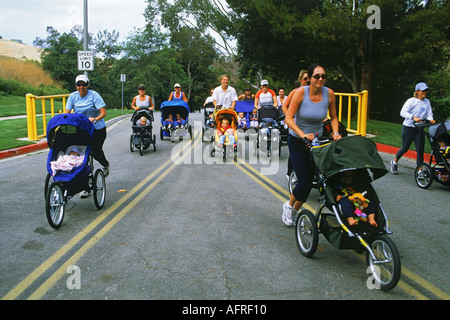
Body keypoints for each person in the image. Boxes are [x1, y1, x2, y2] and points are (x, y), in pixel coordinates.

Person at [282, 63, 342, 226]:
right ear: (310, 78)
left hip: (317, 142)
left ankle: (295, 210)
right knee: (305, 181)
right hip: (298, 141)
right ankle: (288, 206)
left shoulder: (329, 94)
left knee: (317, 180)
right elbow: (288, 118)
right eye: (317, 76)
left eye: (323, 76)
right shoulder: (301, 92)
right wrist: (302, 134)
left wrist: (335, 133)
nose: (320, 79)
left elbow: (334, 117)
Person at [65, 75, 109, 198]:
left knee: (95, 150)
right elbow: (67, 113)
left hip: (97, 128)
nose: (81, 87)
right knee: (78, 154)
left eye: (83, 84)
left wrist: (95, 119)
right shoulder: (73, 96)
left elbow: (103, 112)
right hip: (81, 129)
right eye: (78, 85)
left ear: (88, 85)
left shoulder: (94, 95)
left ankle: (105, 164)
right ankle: (84, 186)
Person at [390, 82, 436, 174]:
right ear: (417, 91)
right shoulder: (411, 101)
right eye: (423, 90)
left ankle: (419, 170)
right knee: (405, 148)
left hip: (419, 129)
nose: (425, 92)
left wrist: (431, 119)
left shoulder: (427, 102)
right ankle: (394, 162)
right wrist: (413, 117)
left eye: (426, 90)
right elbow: (402, 112)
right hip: (409, 127)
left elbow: (429, 114)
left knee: (420, 149)